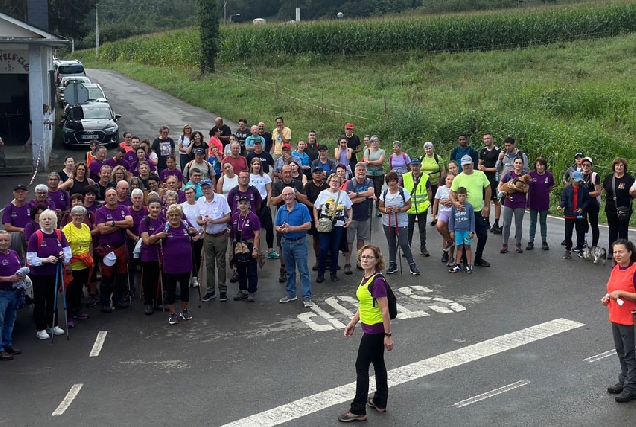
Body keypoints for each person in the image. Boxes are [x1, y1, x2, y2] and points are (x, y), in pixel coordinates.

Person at [339, 244, 393, 423]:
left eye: (369, 257)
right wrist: (353, 323)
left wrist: (387, 335)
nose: (365, 259)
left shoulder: (377, 281)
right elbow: (364, 306)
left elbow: (384, 310)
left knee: (361, 367)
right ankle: (379, 401)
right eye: (363, 256)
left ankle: (358, 409)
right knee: (378, 364)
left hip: (375, 332)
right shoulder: (366, 279)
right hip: (370, 329)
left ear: (377, 260)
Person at [26, 209, 71, 340]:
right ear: (40, 221)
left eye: (50, 219)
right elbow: (31, 259)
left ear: (54, 221)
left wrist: (63, 257)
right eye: (44, 219)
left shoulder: (59, 234)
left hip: (55, 273)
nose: (47, 221)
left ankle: (53, 324)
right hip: (39, 275)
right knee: (40, 301)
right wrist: (46, 260)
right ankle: (40, 328)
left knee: (53, 299)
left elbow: (67, 252)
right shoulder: (36, 236)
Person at [601, 239, 636, 403]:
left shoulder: (635, 270)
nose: (617, 255)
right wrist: (607, 297)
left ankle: (632, 387)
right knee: (621, 352)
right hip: (616, 317)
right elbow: (611, 289)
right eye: (615, 252)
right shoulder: (616, 268)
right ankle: (624, 380)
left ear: (630, 252)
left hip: (630, 319)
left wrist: (621, 293)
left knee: (631, 355)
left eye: (620, 251)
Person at [153, 204, 199, 324]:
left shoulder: (186, 225)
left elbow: (196, 234)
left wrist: (195, 234)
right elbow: (151, 239)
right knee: (171, 289)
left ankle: (184, 310)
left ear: (180, 216)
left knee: (185, 288)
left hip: (185, 263)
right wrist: (158, 236)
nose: (174, 217)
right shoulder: (165, 227)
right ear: (168, 216)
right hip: (170, 264)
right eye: (171, 215)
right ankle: (172, 313)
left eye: (176, 215)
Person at [95, 188, 134, 313]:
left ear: (117, 196)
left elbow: (130, 223)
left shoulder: (123, 209)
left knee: (121, 274)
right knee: (107, 277)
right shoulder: (100, 211)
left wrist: (112, 223)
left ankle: (118, 299)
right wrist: (120, 226)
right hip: (107, 249)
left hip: (121, 247)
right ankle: (105, 302)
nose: (112, 197)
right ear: (105, 198)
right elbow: (102, 230)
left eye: (113, 195)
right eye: (109, 195)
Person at [450, 155, 492, 267]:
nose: (466, 166)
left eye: (468, 164)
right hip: (464, 212)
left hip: (478, 211)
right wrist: (455, 203)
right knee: (464, 236)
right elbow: (452, 193)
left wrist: (487, 205)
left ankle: (478, 258)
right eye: (464, 165)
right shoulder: (458, 178)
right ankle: (464, 259)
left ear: (472, 164)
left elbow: (488, 188)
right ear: (462, 166)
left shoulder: (480, 175)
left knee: (483, 236)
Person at [275, 186, 313, 307]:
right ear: (282, 197)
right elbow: (276, 226)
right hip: (285, 242)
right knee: (289, 271)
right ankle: (291, 294)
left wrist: (292, 229)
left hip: (299, 242)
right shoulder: (281, 209)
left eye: (289, 194)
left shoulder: (302, 208)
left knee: (303, 271)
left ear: (294, 195)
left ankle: (307, 297)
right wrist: (281, 229)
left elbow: (308, 225)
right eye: (285, 195)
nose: (287, 197)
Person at [271, 165, 308, 283]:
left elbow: (304, 199)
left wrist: (295, 193)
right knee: (282, 246)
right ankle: (283, 268)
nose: (287, 174)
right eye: (285, 172)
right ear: (281, 174)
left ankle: (299, 270)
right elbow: (273, 202)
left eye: (289, 172)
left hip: (297, 216)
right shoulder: (277, 185)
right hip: (282, 216)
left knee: (298, 244)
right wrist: (284, 195)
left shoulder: (297, 184)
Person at [314, 174, 353, 283]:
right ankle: (321, 273)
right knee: (323, 248)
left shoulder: (343, 194)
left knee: (335, 249)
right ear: (329, 181)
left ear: (340, 183)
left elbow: (349, 208)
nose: (335, 183)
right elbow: (316, 208)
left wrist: (349, 219)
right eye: (333, 181)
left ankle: (333, 272)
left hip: (339, 224)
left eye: (337, 181)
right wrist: (316, 221)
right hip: (325, 223)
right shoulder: (323, 194)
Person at [379, 171, 420, 275]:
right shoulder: (384, 193)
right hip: (387, 222)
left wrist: (400, 210)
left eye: (393, 181)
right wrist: (385, 210)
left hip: (401, 222)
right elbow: (380, 206)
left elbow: (409, 205)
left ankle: (412, 265)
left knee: (404, 243)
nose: (391, 183)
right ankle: (393, 264)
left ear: (397, 181)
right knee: (391, 244)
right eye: (389, 181)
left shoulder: (403, 191)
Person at [197, 179, 231, 303]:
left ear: (213, 188)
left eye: (208, 187)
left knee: (221, 263)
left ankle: (223, 290)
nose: (206, 190)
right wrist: (203, 221)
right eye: (203, 188)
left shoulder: (221, 199)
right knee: (209, 264)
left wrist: (214, 221)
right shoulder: (200, 201)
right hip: (208, 235)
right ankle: (210, 291)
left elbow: (228, 217)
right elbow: (198, 220)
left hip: (220, 234)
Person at [61, 206, 93, 328]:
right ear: (71, 215)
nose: (78, 217)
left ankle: (77, 310)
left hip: (84, 263)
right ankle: (68, 314)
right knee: (71, 290)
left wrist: (91, 259)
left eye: (81, 215)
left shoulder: (86, 227)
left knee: (79, 289)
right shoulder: (67, 229)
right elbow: (65, 247)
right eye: (76, 215)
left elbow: (90, 243)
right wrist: (67, 263)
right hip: (72, 264)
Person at [344, 163, 375, 274]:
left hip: (364, 216)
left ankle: (359, 262)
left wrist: (356, 194)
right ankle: (347, 263)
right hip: (351, 217)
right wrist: (363, 197)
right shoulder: (350, 182)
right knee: (349, 241)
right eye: (359, 170)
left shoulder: (369, 181)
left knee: (361, 241)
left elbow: (371, 192)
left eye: (363, 170)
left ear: (365, 171)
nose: (361, 172)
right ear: (355, 171)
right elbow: (349, 200)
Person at [230, 196, 261, 302]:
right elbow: (231, 230)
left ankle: (251, 291)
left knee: (251, 270)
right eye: (240, 203)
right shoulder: (235, 217)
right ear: (237, 206)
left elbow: (257, 235)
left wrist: (255, 249)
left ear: (249, 205)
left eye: (245, 203)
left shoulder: (253, 217)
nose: (243, 205)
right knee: (240, 270)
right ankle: (242, 290)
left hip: (249, 245)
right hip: (238, 246)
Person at [0, 229, 24, 360]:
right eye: (1, 240)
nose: (3, 242)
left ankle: (7, 344)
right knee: (0, 322)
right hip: (1, 293)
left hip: (13, 292)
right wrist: (9, 279)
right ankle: (0, 349)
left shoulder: (13, 253)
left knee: (10, 320)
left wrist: (22, 275)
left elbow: (19, 268)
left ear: (10, 241)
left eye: (6, 240)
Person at [401, 158, 432, 257]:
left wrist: (428, 202)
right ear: (410, 166)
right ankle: (407, 248)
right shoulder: (405, 177)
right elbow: (400, 190)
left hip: (422, 207)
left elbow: (429, 190)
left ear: (420, 166)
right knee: (408, 229)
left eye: (417, 165)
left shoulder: (426, 177)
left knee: (422, 228)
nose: (415, 167)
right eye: (413, 165)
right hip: (409, 208)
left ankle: (423, 248)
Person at [498, 156, 529, 254]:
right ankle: (504, 244)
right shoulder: (508, 174)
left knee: (518, 224)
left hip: (520, 202)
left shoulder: (525, 176)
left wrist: (515, 188)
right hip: (508, 201)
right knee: (506, 224)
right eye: (516, 163)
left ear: (523, 165)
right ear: (514, 164)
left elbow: (526, 190)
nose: (518, 165)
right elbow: (501, 184)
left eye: (520, 163)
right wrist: (501, 191)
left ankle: (518, 244)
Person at [139, 198, 164, 315]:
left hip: (161, 254)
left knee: (159, 279)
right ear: (148, 209)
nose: (155, 210)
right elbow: (147, 241)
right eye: (152, 207)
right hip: (148, 255)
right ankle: (148, 302)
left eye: (157, 207)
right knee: (148, 280)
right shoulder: (145, 221)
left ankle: (158, 301)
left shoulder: (163, 220)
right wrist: (157, 237)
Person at [557, 171, 590, 259]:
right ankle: (568, 249)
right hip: (569, 214)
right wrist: (561, 206)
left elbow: (587, 200)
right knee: (568, 233)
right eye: (577, 180)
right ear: (572, 179)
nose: (579, 182)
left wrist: (582, 208)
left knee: (581, 232)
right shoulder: (567, 189)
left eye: (580, 181)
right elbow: (564, 200)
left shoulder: (584, 189)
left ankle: (580, 249)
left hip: (580, 215)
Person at [605, 158, 635, 254]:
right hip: (611, 208)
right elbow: (605, 191)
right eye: (617, 165)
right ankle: (612, 252)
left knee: (623, 231)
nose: (619, 167)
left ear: (624, 167)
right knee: (612, 230)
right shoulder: (609, 178)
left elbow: (633, 195)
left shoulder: (629, 179)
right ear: (614, 166)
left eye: (621, 165)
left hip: (624, 209)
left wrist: (633, 193)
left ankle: (623, 252)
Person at [249, 158, 276, 259]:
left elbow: (269, 191)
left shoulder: (265, 176)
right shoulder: (248, 176)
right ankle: (256, 249)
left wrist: (268, 205)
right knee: (254, 228)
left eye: (258, 164)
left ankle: (270, 249)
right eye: (254, 164)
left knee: (269, 227)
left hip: (264, 203)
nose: (256, 166)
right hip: (252, 204)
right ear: (251, 165)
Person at [303, 167, 329, 271]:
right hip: (312, 213)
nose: (318, 175)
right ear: (312, 175)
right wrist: (314, 206)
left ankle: (328, 259)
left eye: (320, 173)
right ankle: (318, 259)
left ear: (323, 175)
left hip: (326, 213)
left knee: (327, 236)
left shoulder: (327, 186)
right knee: (316, 237)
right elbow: (305, 199)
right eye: (316, 173)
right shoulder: (308, 186)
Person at [527, 157, 554, 251]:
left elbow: (550, 187)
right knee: (532, 223)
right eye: (538, 165)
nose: (539, 167)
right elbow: (526, 185)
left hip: (543, 202)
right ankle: (531, 241)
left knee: (543, 222)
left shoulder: (549, 176)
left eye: (541, 165)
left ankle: (544, 241)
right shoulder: (531, 174)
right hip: (533, 201)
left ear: (545, 166)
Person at [181, 185, 204, 289]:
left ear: (195, 193)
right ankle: (185, 277)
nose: (189, 195)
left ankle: (195, 277)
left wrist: (199, 234)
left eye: (191, 192)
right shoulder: (181, 206)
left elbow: (204, 222)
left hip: (198, 236)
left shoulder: (201, 205)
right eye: (187, 193)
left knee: (197, 257)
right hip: (185, 237)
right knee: (186, 257)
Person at [478, 133, 502, 233]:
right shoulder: (483, 151)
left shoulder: (498, 151)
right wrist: (479, 167)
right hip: (484, 178)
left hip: (494, 178)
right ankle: (486, 221)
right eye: (485, 139)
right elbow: (480, 163)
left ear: (492, 139)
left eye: (488, 138)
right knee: (486, 199)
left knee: (496, 201)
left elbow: (498, 168)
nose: (486, 140)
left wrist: (486, 169)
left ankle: (496, 223)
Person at [448, 187, 475, 273]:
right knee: (459, 247)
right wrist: (451, 231)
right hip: (458, 231)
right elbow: (451, 219)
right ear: (457, 196)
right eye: (460, 196)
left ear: (466, 196)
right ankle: (458, 264)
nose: (462, 198)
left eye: (463, 196)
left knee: (467, 247)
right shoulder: (454, 207)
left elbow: (472, 220)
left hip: (466, 231)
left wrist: (472, 231)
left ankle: (469, 264)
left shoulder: (469, 207)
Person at [433, 174, 456, 265]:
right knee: (440, 226)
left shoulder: (456, 189)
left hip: (453, 212)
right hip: (443, 212)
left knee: (451, 233)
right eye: (448, 179)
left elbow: (461, 200)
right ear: (445, 180)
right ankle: (449, 242)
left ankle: (451, 257)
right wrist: (433, 215)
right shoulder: (440, 189)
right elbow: (435, 201)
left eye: (452, 179)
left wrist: (451, 202)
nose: (450, 181)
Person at [3, 184, 30, 257]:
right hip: (15, 236)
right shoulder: (9, 208)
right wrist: (22, 229)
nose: (20, 193)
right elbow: (7, 227)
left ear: (26, 193)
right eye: (18, 192)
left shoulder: (31, 206)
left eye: (22, 191)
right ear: (14, 194)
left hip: (29, 235)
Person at [363, 135, 385, 218]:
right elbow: (365, 161)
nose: (374, 143)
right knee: (369, 191)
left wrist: (370, 163)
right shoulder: (367, 150)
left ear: (379, 143)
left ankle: (378, 208)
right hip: (369, 174)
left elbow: (381, 161)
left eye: (376, 141)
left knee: (378, 191)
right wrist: (375, 163)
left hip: (379, 174)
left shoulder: (382, 151)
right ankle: (369, 209)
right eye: (372, 141)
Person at [581, 156, 601, 248]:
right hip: (582, 204)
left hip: (592, 203)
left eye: (588, 165)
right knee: (582, 223)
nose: (585, 166)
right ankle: (582, 243)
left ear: (591, 166)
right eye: (584, 165)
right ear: (581, 166)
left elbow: (598, 191)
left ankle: (594, 245)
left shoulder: (595, 176)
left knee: (594, 224)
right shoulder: (579, 175)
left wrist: (586, 194)